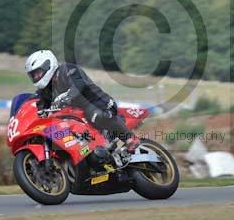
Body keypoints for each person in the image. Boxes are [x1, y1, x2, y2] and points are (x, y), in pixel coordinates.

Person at [11, 50, 140, 153]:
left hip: (97, 103)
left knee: (95, 115)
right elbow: (40, 106)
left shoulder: (67, 69)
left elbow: (79, 85)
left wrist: (67, 97)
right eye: (33, 75)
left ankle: (129, 139)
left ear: (48, 65)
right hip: (75, 116)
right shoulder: (45, 91)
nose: (36, 77)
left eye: (38, 73)